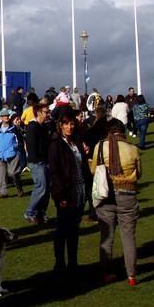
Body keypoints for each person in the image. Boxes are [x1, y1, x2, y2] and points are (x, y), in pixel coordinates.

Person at [91, 120, 142, 287]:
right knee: (128, 237)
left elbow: (93, 171)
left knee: (107, 237)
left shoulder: (100, 146)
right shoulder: (133, 149)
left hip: (106, 195)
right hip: (127, 194)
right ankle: (131, 276)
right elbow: (139, 173)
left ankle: (106, 273)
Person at [49, 114, 91, 278]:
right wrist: (60, 197)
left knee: (74, 230)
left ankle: (73, 262)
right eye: (66, 124)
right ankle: (59, 263)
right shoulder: (55, 144)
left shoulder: (77, 141)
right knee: (62, 231)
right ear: (60, 125)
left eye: (72, 124)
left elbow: (82, 166)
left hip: (79, 191)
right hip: (65, 193)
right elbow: (55, 172)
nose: (69, 127)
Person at [24, 103, 51, 223]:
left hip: (45, 160)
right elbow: (31, 146)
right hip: (37, 162)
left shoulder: (44, 126)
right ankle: (30, 211)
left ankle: (41, 213)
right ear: (39, 113)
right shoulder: (32, 127)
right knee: (41, 187)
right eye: (46, 112)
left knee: (46, 189)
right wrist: (37, 159)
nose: (48, 114)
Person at [0, 108, 24, 198]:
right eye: (4, 116)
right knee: (1, 175)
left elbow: (20, 141)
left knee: (13, 173)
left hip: (12, 154)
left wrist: (17, 150)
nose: (6, 117)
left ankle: (19, 188)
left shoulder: (14, 129)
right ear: (1, 118)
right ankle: (3, 193)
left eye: (7, 116)